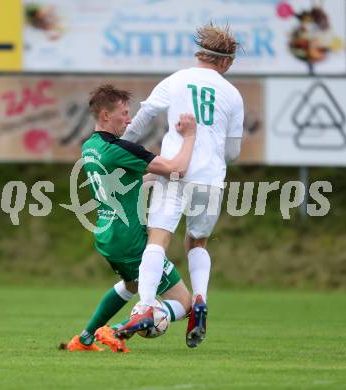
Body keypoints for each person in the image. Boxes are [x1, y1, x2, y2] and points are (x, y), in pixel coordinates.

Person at [119, 23, 244, 348]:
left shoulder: (176, 80)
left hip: (175, 171)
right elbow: (232, 152)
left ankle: (145, 305)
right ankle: (199, 300)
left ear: (199, 54)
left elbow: (145, 116)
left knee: (157, 239)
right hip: (210, 179)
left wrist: (120, 145)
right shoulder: (232, 94)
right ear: (227, 62)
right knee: (197, 243)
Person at [60, 84, 196, 352]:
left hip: (107, 234)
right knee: (184, 303)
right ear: (105, 115)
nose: (130, 119)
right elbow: (177, 169)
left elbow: (125, 181)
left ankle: (85, 338)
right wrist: (190, 136)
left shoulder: (91, 147)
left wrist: (153, 176)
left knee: (132, 284)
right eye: (124, 113)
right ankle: (115, 330)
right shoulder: (121, 149)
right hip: (129, 240)